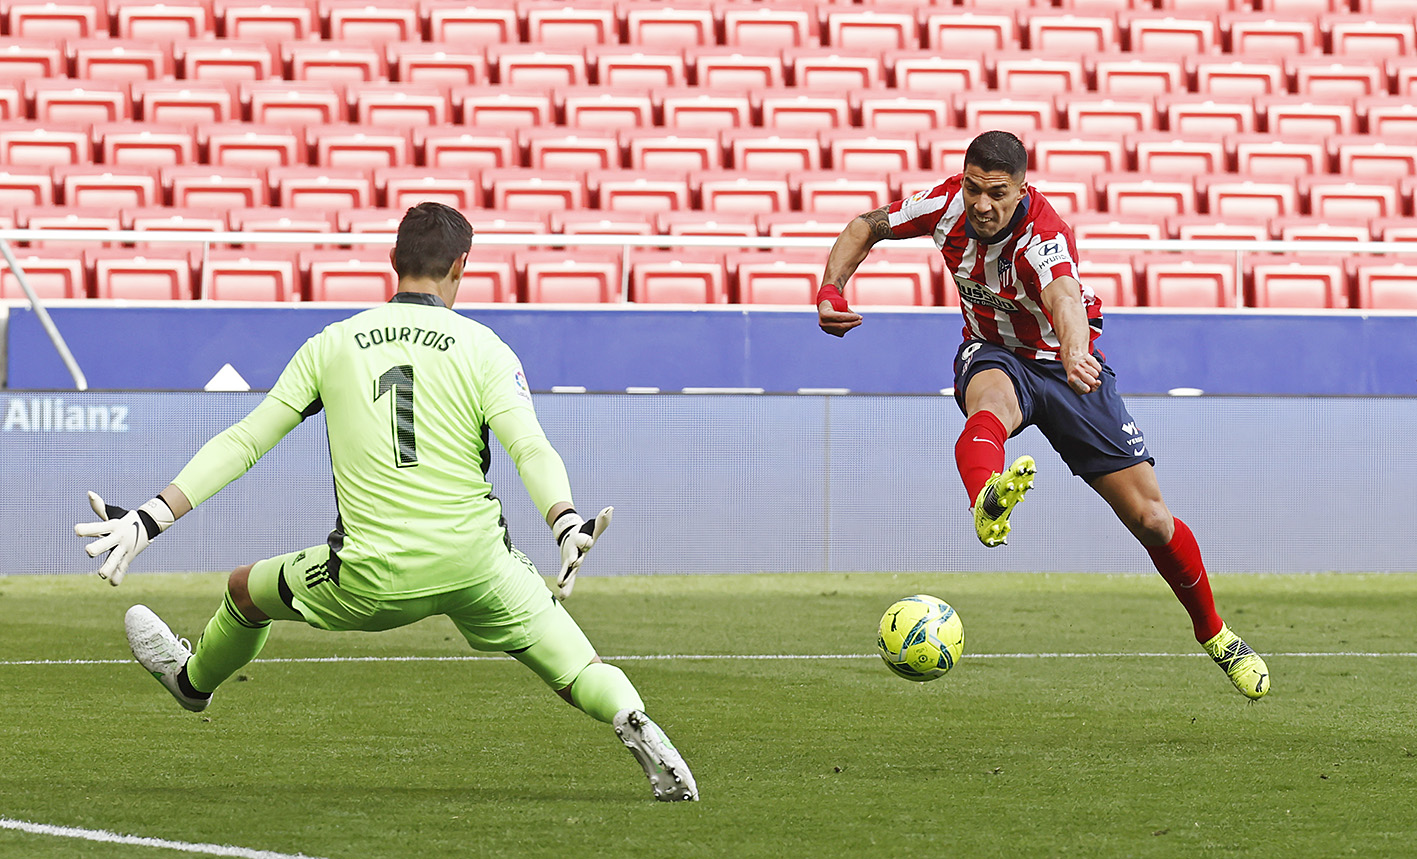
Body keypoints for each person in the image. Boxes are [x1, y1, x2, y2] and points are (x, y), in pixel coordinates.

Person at [74, 202, 698, 800]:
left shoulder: (334, 343)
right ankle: (629, 713)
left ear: (391, 260)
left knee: (244, 592)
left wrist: (150, 517)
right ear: (461, 268)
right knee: (577, 665)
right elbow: (530, 448)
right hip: (479, 563)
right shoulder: (486, 348)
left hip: (373, 575)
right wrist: (564, 522)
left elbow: (245, 441)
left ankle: (191, 684)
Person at [815, 130, 1269, 700]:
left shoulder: (1044, 236)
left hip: (1066, 364)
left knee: (1152, 519)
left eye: (997, 193)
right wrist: (831, 288)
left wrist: (1077, 351)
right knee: (990, 401)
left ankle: (1215, 632)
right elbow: (866, 226)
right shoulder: (945, 205)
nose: (982, 204)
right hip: (995, 353)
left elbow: (1064, 298)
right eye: (975, 188)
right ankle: (987, 500)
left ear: (1021, 187)